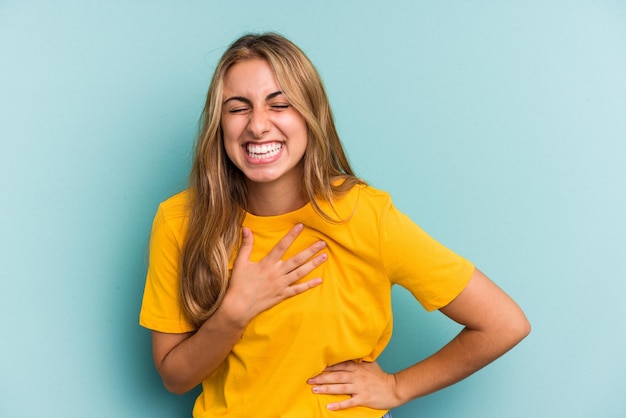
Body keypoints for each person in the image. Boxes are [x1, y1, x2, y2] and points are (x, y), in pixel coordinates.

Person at [139, 32, 530, 418]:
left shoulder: (364, 215)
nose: (258, 126)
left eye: (280, 104)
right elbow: (176, 378)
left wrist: (396, 387)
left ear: (311, 114)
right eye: (238, 108)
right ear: (218, 124)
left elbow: (503, 324)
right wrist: (234, 313)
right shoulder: (181, 221)